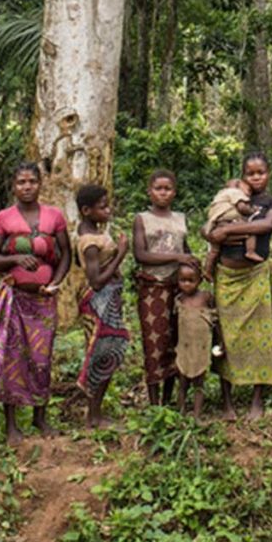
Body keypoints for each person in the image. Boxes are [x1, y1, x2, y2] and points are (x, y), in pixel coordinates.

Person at [0, 162, 72, 446]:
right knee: (12, 357)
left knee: (41, 357)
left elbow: (65, 256)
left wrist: (55, 284)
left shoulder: (54, 216)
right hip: (16, 299)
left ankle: (40, 416)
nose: (26, 187)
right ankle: (11, 424)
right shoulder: (3, 218)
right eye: (21, 182)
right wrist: (14, 260)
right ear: (13, 185)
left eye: (32, 182)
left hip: (44, 300)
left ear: (40, 183)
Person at [204, 152, 272, 419]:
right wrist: (212, 232)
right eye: (250, 173)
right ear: (243, 176)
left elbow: (267, 225)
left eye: (260, 172)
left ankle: (257, 400)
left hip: (257, 275)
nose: (256, 177)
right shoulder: (229, 195)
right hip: (226, 277)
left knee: (262, 339)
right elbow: (210, 225)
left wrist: (227, 232)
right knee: (225, 337)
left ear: (268, 173)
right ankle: (227, 402)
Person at [72, 184, 131, 429]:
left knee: (107, 352)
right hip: (99, 301)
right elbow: (95, 281)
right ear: (87, 210)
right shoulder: (90, 242)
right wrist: (121, 254)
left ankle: (95, 412)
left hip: (108, 300)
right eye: (103, 207)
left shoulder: (95, 232)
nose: (108, 210)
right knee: (102, 353)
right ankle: (93, 415)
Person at [129, 169, 190, 406]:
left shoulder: (180, 218)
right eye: (158, 188)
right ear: (150, 191)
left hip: (178, 288)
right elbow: (141, 254)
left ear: (174, 192)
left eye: (168, 189)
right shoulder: (142, 219)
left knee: (176, 342)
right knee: (154, 344)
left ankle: (169, 399)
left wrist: (191, 263)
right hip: (152, 288)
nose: (163, 193)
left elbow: (185, 251)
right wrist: (177, 257)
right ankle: (155, 404)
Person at [171, 259, 218, 417]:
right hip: (184, 349)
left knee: (199, 384)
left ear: (199, 280)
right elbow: (174, 326)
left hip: (201, 349)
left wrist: (220, 343)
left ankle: (197, 415)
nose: (186, 284)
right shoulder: (179, 300)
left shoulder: (206, 298)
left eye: (191, 280)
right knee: (182, 383)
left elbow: (216, 320)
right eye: (182, 280)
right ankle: (180, 413)